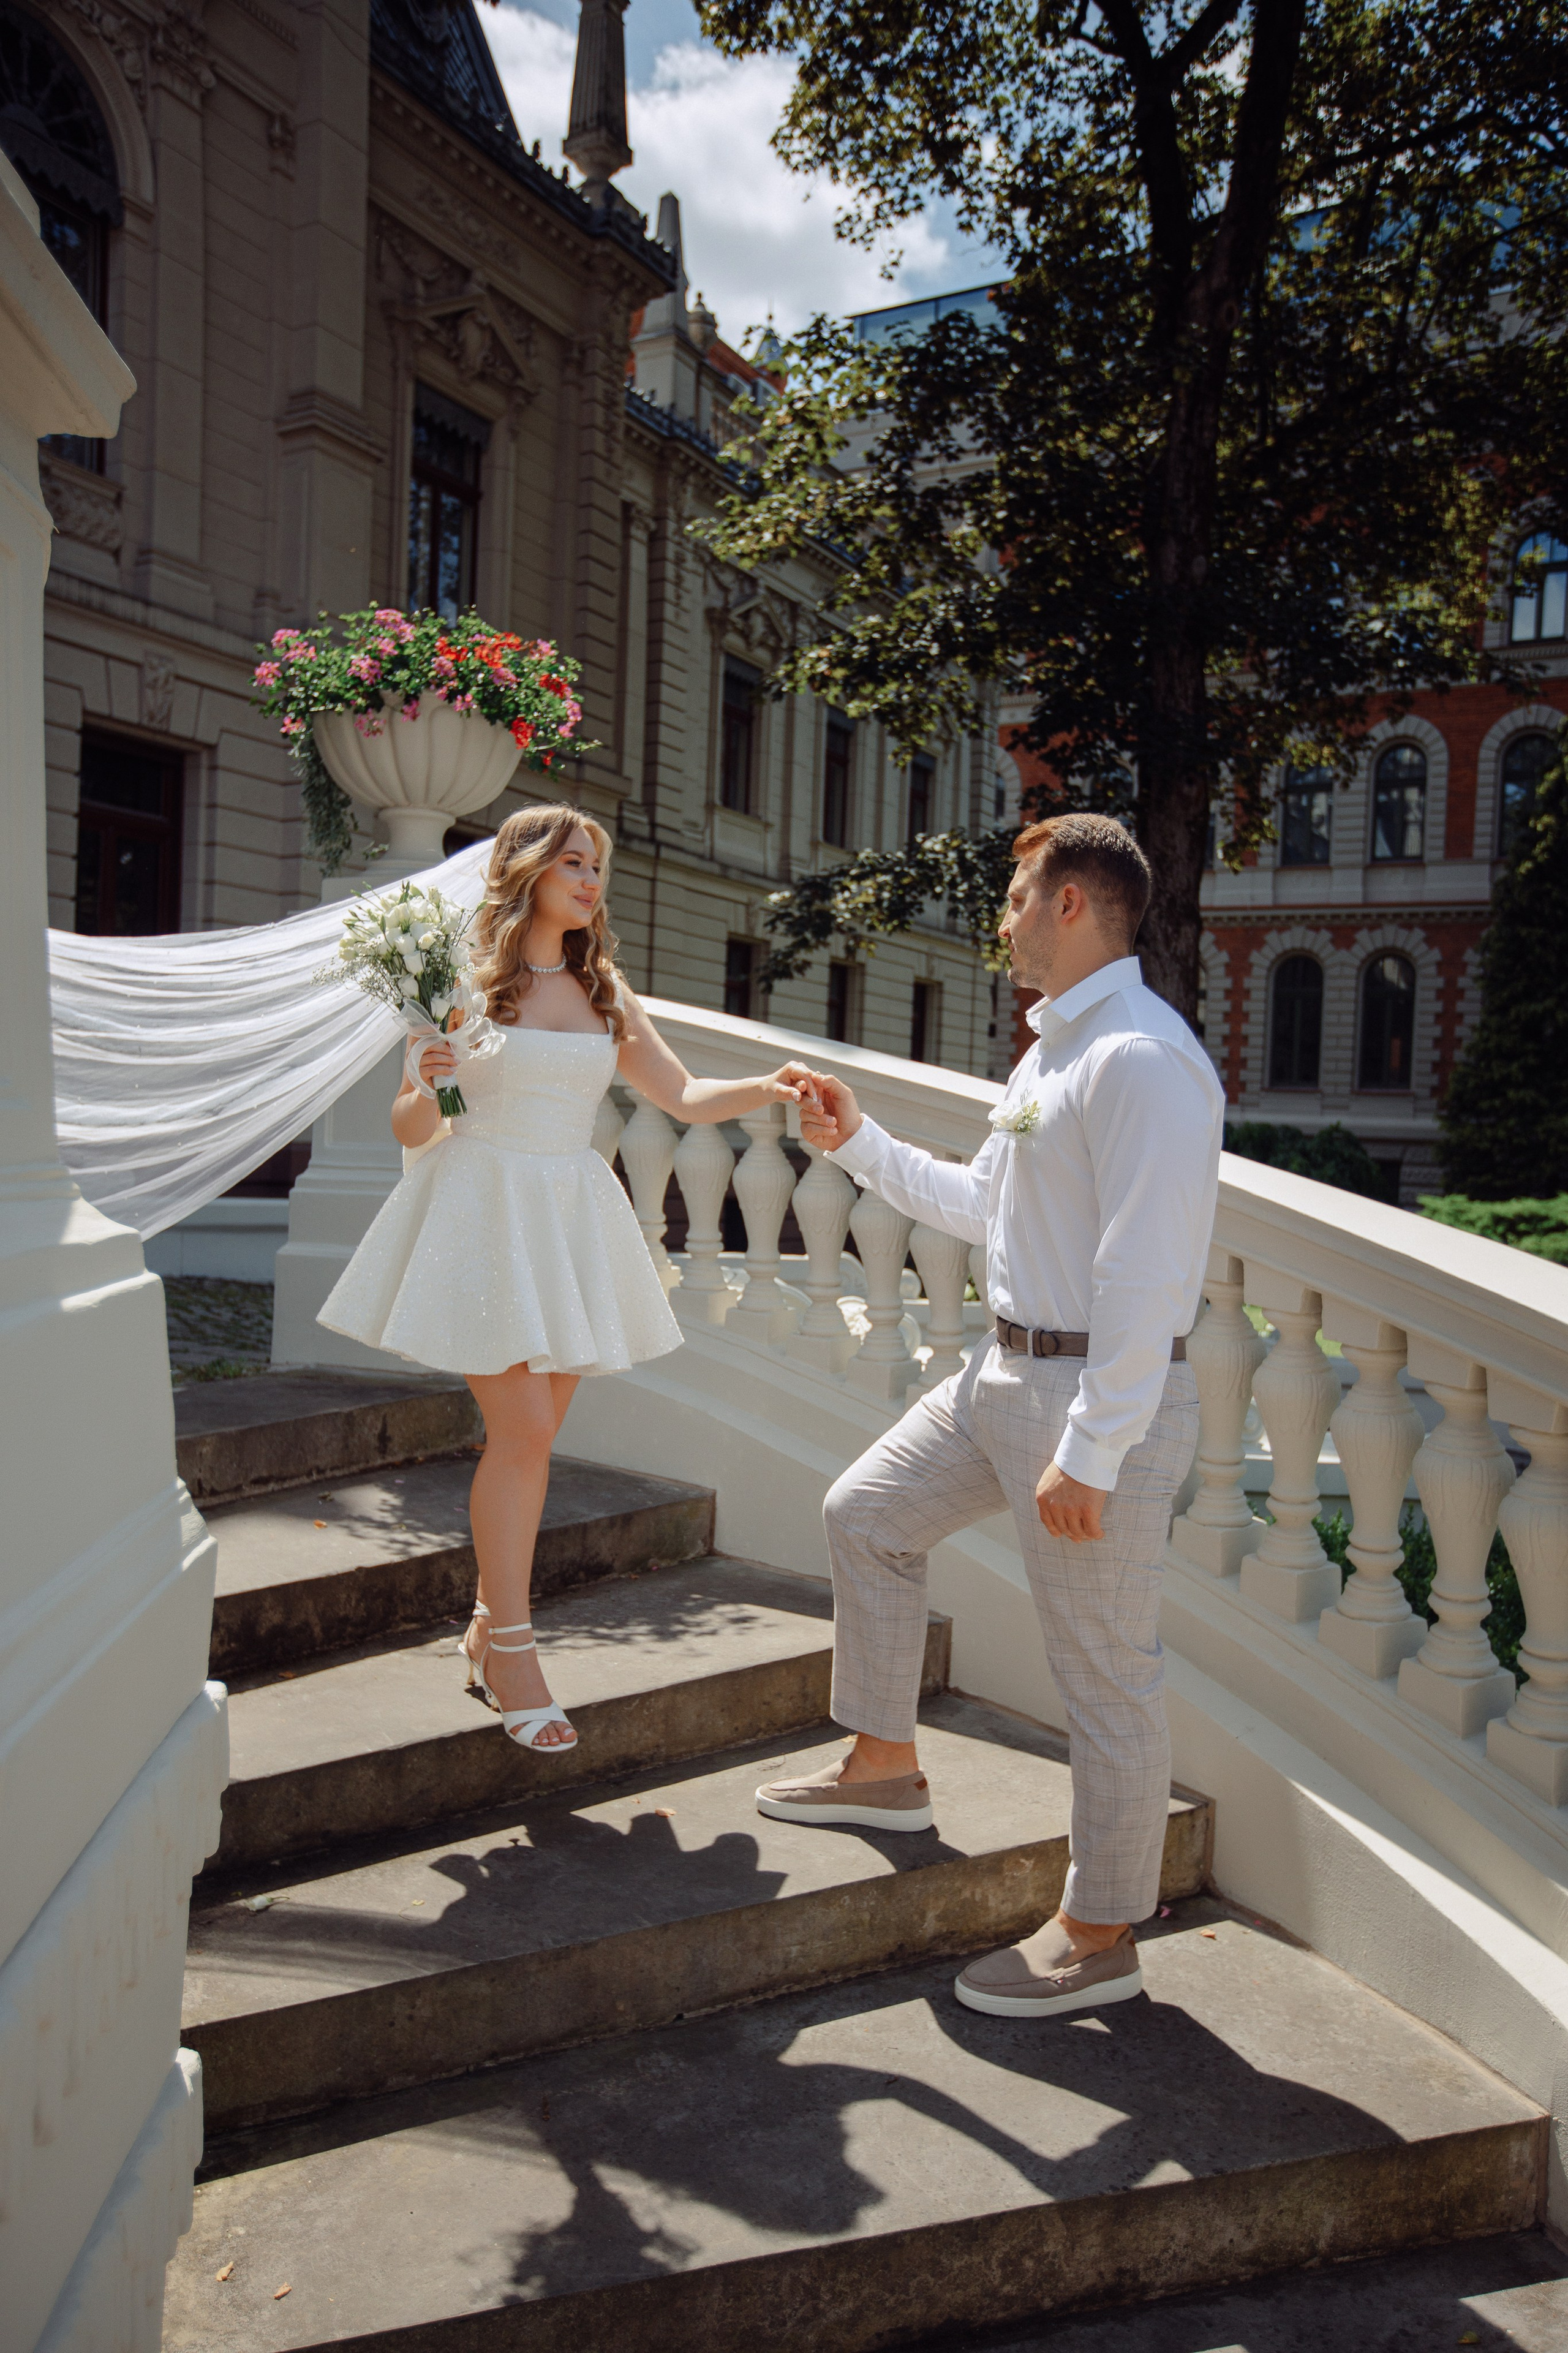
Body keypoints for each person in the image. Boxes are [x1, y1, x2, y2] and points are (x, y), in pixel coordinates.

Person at [756, 813, 1223, 2019]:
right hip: (1000, 1377)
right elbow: (982, 1206)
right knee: (865, 1514)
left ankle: (1101, 1930)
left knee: (1104, 1678)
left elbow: (1147, 1272)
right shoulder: (1049, 1055)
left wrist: (1094, 1447)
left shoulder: (1140, 1057)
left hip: (1093, 1399)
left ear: (1071, 903)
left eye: (1017, 899)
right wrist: (855, 1142)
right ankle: (883, 1765)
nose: (1002, 921)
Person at [319, 803, 816, 1754]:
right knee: (524, 1432)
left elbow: (681, 1096)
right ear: (528, 871)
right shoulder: (462, 983)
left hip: (567, 1216)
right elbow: (421, 1123)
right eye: (574, 863)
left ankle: (486, 1625)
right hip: (483, 1209)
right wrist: (429, 1078)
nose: (592, 880)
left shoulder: (603, 988)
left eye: (597, 866)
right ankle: (515, 1652)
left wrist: (770, 1087)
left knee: (534, 1439)